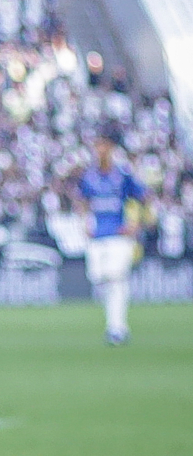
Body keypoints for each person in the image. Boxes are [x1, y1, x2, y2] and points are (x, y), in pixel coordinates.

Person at [79, 133, 146, 345]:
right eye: (97, 146)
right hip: (98, 236)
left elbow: (142, 197)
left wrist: (135, 223)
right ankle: (115, 325)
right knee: (99, 277)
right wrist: (84, 222)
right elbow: (82, 200)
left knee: (116, 279)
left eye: (104, 146)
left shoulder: (122, 175)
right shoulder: (89, 176)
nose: (101, 151)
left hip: (118, 235)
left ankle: (117, 328)